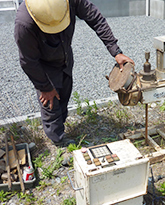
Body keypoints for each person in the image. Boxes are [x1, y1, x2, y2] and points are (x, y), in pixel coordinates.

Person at [14, 0, 134, 147]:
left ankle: (61, 124)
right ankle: (58, 141)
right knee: (50, 102)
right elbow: (28, 61)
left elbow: (95, 18)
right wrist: (44, 87)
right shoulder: (24, 22)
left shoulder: (70, 1)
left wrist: (116, 51)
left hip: (64, 54)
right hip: (43, 64)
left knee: (64, 92)